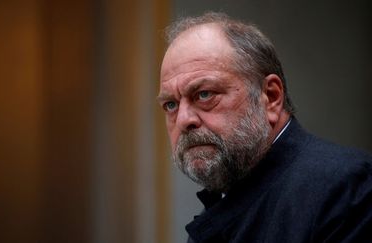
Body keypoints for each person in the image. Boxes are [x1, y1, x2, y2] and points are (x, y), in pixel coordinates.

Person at [157, 12, 372, 243]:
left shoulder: (346, 188)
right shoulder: (221, 205)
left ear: (270, 96)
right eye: (171, 104)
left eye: (204, 94)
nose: (183, 120)